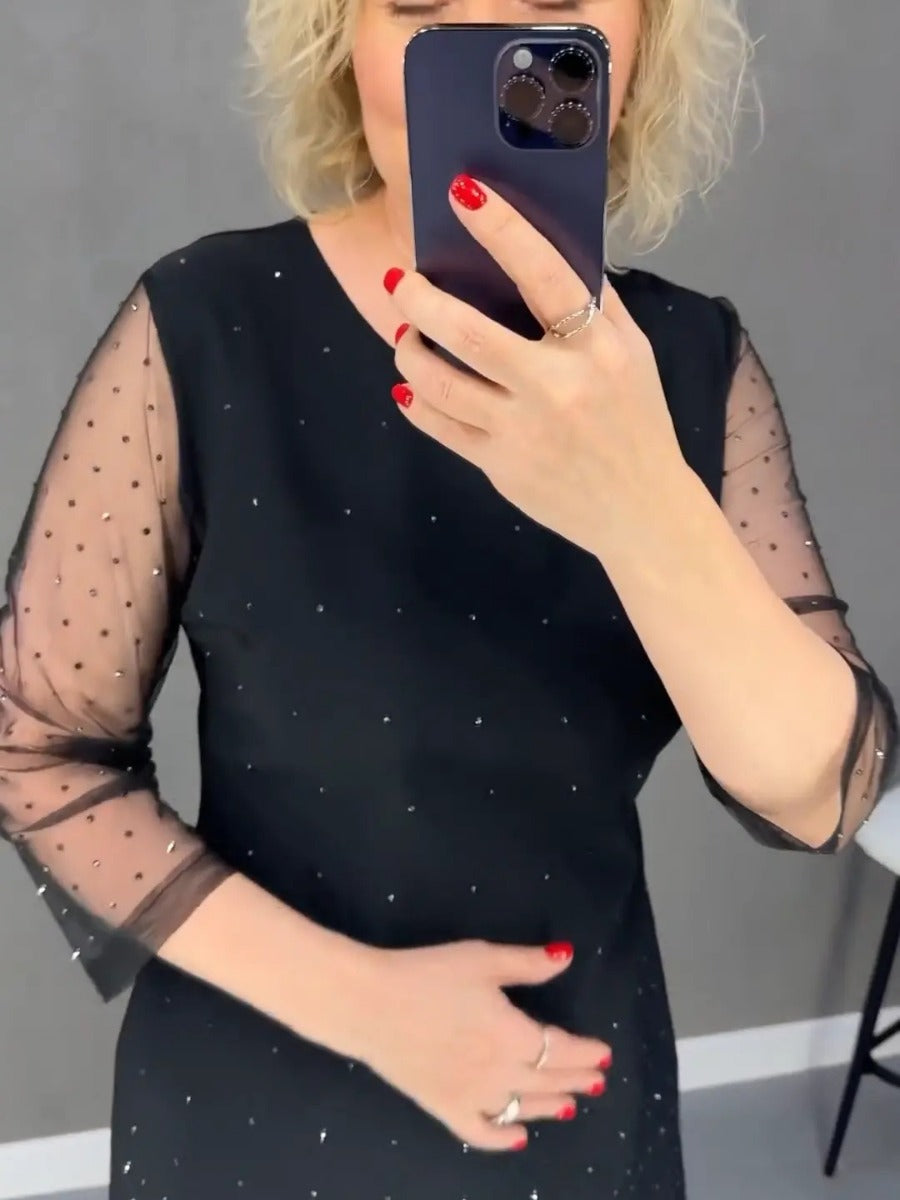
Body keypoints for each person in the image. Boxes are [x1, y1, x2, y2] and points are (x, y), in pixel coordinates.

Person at [1, 0, 897, 1195]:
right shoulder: (204, 321)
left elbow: (825, 793)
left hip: (568, 1090)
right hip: (251, 1097)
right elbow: (38, 747)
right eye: (419, 4)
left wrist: (641, 496)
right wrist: (371, 1008)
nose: (482, 54)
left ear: (636, 50)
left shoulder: (695, 367)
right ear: (342, 45)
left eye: (552, 7)